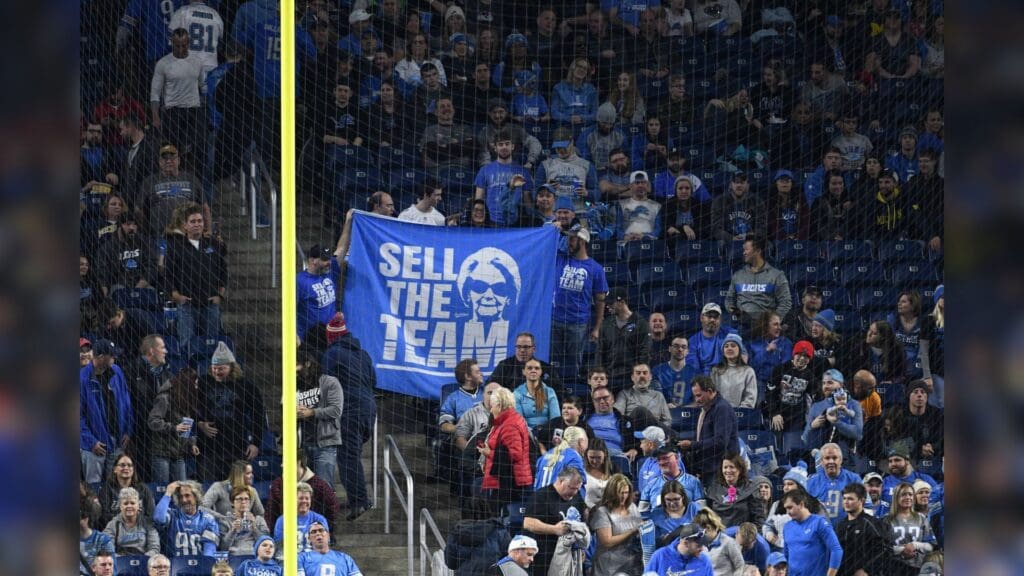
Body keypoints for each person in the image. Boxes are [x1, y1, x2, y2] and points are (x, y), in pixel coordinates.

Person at [196, 343, 264, 480]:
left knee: (237, 486)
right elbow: (191, 407)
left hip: (237, 445)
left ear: (232, 367)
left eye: (222, 368)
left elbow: (258, 414)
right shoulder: (203, 382)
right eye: (214, 368)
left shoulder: (246, 386)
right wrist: (199, 424)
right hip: (208, 447)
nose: (217, 372)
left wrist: (255, 442)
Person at [551, 226, 608, 383]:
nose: (567, 242)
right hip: (554, 320)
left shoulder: (596, 269)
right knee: (552, 363)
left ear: (582, 241)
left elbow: (600, 301)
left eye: (571, 239)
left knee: (573, 364)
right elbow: (549, 239)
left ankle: (571, 391)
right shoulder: (560, 259)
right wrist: (554, 227)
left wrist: (597, 328)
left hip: (577, 324)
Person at [163, 202, 225, 344]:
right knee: (187, 344)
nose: (197, 224)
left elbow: (223, 271)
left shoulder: (213, 244)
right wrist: (176, 296)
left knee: (212, 343)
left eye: (200, 221)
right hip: (186, 306)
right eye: (193, 221)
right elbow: (168, 275)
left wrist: (220, 295)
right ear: (185, 225)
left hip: (210, 304)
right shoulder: (175, 247)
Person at [150, 28, 207, 167]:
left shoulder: (197, 62)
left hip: (193, 111)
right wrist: (155, 116)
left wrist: (204, 109)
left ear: (188, 43)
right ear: (172, 43)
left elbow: (203, 87)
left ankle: (194, 181)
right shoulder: (163, 63)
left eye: (184, 45)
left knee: (196, 149)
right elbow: (155, 93)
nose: (181, 48)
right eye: (177, 45)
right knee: (173, 150)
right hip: (172, 113)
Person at [80, 338, 132, 485]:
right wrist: (91, 442)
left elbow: (126, 402)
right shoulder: (82, 378)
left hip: (117, 440)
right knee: (94, 486)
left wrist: (128, 430)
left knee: (116, 485)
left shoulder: (117, 372)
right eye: (112, 355)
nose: (115, 358)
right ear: (101, 357)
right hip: (94, 445)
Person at [523, 467, 587, 576]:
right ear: (561, 481)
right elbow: (528, 523)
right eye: (571, 488)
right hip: (545, 556)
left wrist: (580, 548)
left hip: (569, 556)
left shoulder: (576, 497)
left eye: (577, 489)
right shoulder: (542, 496)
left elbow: (583, 517)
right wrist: (554, 529)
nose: (574, 492)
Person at [767, 340, 822, 462]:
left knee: (790, 453)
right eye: (799, 355)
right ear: (793, 354)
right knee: (775, 451)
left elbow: (814, 399)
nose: (802, 359)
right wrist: (774, 413)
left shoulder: (810, 377)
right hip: (777, 414)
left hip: (796, 418)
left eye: (806, 356)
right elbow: (770, 393)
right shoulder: (780, 369)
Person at [481, 387, 533, 514]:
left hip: (509, 484)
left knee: (501, 520)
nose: (490, 409)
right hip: (508, 481)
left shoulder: (510, 425)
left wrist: (489, 453)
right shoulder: (507, 420)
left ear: (499, 405)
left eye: (492, 406)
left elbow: (515, 455)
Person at [676, 376, 739, 481]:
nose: (697, 400)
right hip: (708, 469)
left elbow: (720, 442)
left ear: (709, 391)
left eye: (699, 395)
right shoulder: (706, 409)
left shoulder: (722, 409)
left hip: (719, 471)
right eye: (695, 396)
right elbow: (704, 437)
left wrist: (692, 445)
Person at [296, 351, 344, 488]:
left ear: (307, 363)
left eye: (296, 366)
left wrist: (312, 412)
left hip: (325, 445)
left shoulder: (330, 382)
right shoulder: (294, 385)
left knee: (323, 488)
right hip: (303, 446)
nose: (294, 370)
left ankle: (326, 510)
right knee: (305, 491)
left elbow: (336, 410)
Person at [265, 450, 340, 531]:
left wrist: (322, 529)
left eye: (285, 461)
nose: (282, 465)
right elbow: (270, 512)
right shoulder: (277, 485)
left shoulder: (320, 485)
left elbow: (333, 507)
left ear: (298, 462)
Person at [147, 367, 200, 482]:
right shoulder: (164, 398)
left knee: (182, 489)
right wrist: (173, 427)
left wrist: (192, 443)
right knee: (162, 490)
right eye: (194, 384)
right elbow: (153, 421)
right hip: (162, 453)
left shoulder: (187, 400)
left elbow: (186, 426)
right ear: (187, 383)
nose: (196, 387)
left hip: (179, 453)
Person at [473, 127, 535, 227]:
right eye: (500, 144)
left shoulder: (523, 172)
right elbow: (478, 200)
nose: (504, 147)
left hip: (515, 221)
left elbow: (527, 203)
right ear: (495, 148)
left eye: (507, 144)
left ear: (513, 146)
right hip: (491, 222)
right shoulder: (484, 170)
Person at [727, 236, 793, 325]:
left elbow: (786, 303)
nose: (744, 253)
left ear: (758, 251)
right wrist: (736, 313)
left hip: (765, 326)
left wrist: (773, 322)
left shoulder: (777, 275)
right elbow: (729, 300)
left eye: (746, 249)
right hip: (742, 325)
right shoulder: (738, 275)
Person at [597, 288, 652, 392]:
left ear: (621, 302)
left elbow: (644, 353)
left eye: (611, 303)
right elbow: (600, 352)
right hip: (611, 378)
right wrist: (601, 375)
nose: (607, 306)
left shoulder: (641, 324)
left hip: (631, 379)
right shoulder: (606, 325)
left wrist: (638, 375)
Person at [837, 483, 896, 576]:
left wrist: (866, 570)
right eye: (844, 498)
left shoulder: (872, 523)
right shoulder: (840, 525)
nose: (846, 502)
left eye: (850, 499)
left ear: (862, 501)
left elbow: (886, 549)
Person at [804, 371, 864, 462]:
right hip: (819, 458)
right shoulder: (816, 406)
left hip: (845, 457)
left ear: (841, 384)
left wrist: (836, 422)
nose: (826, 386)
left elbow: (858, 433)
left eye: (830, 382)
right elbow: (805, 438)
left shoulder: (854, 405)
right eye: (824, 383)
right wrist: (812, 426)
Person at [590, 473, 643, 576]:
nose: (623, 496)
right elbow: (607, 542)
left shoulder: (632, 507)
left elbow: (639, 527)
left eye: (626, 492)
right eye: (620, 493)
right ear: (612, 493)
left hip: (631, 563)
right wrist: (632, 532)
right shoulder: (602, 512)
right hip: (609, 567)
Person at [536, 128, 600, 212]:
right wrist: (546, 190)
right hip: (553, 214)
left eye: (564, 146)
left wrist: (586, 193)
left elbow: (597, 194)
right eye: (557, 147)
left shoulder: (586, 165)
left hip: (579, 212)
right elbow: (535, 192)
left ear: (572, 142)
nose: (561, 150)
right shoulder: (545, 165)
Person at [781, 490, 843, 576]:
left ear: (801, 504)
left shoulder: (819, 523)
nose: (787, 512)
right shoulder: (787, 526)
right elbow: (786, 555)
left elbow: (836, 550)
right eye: (786, 508)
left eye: (790, 507)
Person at [882, 381, 944, 464]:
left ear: (927, 396)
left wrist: (932, 447)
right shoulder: (898, 414)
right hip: (906, 456)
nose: (919, 395)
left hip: (933, 455)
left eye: (923, 392)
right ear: (909, 396)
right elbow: (893, 441)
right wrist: (919, 449)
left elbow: (942, 438)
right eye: (915, 392)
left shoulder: (937, 414)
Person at [95, 212, 157, 294]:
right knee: (119, 291)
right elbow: (102, 273)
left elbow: (152, 266)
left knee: (151, 292)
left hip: (141, 285)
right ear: (119, 226)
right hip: (117, 286)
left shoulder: (144, 243)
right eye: (128, 224)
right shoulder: (107, 248)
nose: (132, 227)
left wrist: (138, 287)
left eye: (134, 225)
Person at [154, 480, 221, 556]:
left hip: (199, 565)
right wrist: (168, 493)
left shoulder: (208, 520)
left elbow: (209, 551)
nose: (184, 500)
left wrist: (204, 566)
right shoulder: (172, 515)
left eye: (187, 495)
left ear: (196, 497)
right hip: (173, 565)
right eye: (180, 497)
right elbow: (158, 518)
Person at [704, 453, 767, 528]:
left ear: (739, 469)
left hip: (743, 535)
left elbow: (759, 518)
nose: (728, 470)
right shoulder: (713, 489)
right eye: (725, 467)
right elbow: (708, 517)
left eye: (732, 467)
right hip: (720, 535)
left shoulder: (751, 488)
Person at [886, 482, 936, 572]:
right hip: (892, 567)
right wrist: (901, 550)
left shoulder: (921, 518)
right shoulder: (886, 519)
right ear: (896, 497)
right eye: (903, 494)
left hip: (917, 567)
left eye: (910, 494)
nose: (908, 497)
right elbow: (880, 547)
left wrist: (915, 545)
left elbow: (931, 545)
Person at [841, 320, 908, 387]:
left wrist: (892, 381)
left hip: (888, 388)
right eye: (869, 330)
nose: (869, 334)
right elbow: (852, 373)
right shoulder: (860, 349)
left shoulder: (896, 351)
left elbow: (901, 375)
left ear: (883, 337)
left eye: (874, 333)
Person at [489, 332, 562, 393]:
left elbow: (559, 392)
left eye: (526, 347)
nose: (522, 350)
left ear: (534, 349)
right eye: (519, 347)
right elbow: (489, 386)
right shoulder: (504, 366)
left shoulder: (546, 368)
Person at [98, 453, 156, 527]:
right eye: (122, 465)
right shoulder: (106, 489)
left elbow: (150, 515)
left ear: (133, 469)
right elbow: (103, 516)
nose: (126, 468)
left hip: (139, 530)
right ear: (115, 469)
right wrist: (126, 520)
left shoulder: (143, 489)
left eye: (129, 465)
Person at [641, 446, 704, 512]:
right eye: (659, 460)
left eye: (665, 458)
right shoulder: (651, 485)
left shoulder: (693, 482)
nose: (661, 462)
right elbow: (642, 513)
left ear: (676, 458)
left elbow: (702, 512)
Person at [586, 386, 642, 459]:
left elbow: (638, 444)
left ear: (613, 399)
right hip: (591, 456)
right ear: (593, 402)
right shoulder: (584, 420)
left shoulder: (626, 422)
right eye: (598, 399)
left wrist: (634, 450)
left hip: (617, 456)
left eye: (605, 398)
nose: (602, 402)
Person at [274, 482, 330, 554]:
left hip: (314, 560)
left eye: (307, 498)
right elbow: (279, 547)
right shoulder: (282, 520)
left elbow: (325, 545)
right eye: (301, 498)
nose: (304, 501)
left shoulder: (320, 519)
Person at [297, 244, 338, 341]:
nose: (329, 262)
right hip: (310, 340)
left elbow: (341, 248)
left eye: (329, 259)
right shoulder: (300, 281)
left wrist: (347, 228)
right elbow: (290, 309)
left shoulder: (330, 272)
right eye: (324, 259)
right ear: (312, 260)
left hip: (332, 337)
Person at [103, 486, 160, 556]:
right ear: (120, 506)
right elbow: (107, 549)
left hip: (143, 560)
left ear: (138, 505)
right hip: (121, 562)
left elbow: (154, 548)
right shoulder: (113, 524)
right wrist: (122, 559)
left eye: (132, 503)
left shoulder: (147, 523)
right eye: (125, 503)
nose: (129, 506)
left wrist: (143, 559)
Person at [711, 173, 767, 244]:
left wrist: (749, 237)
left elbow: (762, 228)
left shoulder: (757, 201)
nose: (739, 185)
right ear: (731, 184)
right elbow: (716, 229)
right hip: (728, 242)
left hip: (752, 241)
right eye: (736, 182)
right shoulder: (719, 201)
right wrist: (731, 238)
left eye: (742, 182)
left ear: (748, 185)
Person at [643, 522, 715, 576]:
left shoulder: (704, 560)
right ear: (686, 543)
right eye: (698, 545)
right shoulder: (660, 556)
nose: (702, 549)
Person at [297, 521, 364, 576]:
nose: (318, 534)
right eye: (313, 532)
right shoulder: (301, 558)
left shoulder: (345, 558)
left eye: (321, 530)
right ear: (309, 538)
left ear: (328, 536)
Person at [687, 303, 737, 376]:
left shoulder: (730, 334)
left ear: (720, 319)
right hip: (704, 380)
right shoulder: (693, 341)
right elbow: (693, 369)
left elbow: (743, 356)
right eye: (709, 316)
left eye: (716, 317)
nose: (712, 320)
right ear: (701, 318)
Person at [692, 508, 745, 575]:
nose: (701, 535)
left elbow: (740, 566)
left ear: (711, 527)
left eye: (704, 531)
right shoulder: (699, 545)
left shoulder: (728, 542)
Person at [710, 333, 758, 408]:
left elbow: (750, 398)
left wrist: (739, 412)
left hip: (740, 415)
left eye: (733, 345)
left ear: (740, 349)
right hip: (719, 413)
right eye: (726, 346)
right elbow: (711, 395)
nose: (729, 348)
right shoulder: (716, 370)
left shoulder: (748, 371)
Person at [809, 170, 859, 241]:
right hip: (826, 243)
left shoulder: (851, 200)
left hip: (849, 241)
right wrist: (833, 238)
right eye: (834, 184)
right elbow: (817, 227)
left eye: (840, 183)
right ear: (827, 184)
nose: (838, 186)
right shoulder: (819, 202)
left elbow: (855, 225)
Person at [220, 486, 271, 555]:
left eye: (246, 499)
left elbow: (267, 543)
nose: (243, 502)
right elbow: (222, 548)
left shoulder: (259, 520)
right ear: (232, 502)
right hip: (234, 557)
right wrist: (233, 531)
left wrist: (254, 528)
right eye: (239, 499)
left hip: (255, 556)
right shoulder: (225, 521)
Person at [534, 426, 588, 491]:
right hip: (557, 499)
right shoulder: (574, 458)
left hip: (538, 498)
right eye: (586, 439)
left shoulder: (545, 455)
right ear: (581, 442)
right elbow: (580, 481)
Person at [749, 312, 794, 388]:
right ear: (766, 326)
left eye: (780, 324)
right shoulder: (754, 344)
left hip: (779, 383)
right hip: (758, 383)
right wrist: (766, 350)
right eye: (775, 324)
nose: (779, 328)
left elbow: (787, 366)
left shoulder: (786, 343)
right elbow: (752, 368)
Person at [651, 481, 703, 546]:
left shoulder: (694, 508)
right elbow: (653, 542)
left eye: (676, 499)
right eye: (668, 500)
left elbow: (704, 531)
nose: (672, 503)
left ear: (683, 497)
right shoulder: (656, 514)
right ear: (663, 499)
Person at [551, 58, 599, 127]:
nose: (582, 70)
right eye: (579, 66)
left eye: (585, 69)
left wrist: (581, 118)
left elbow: (595, 114)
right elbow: (554, 113)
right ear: (572, 68)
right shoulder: (558, 88)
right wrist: (569, 118)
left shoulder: (591, 90)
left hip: (585, 126)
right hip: (565, 126)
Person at [653, 336, 698, 407]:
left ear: (687, 351)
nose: (680, 349)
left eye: (684, 347)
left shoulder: (695, 373)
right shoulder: (657, 371)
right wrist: (665, 406)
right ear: (670, 348)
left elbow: (699, 400)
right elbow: (655, 398)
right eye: (676, 346)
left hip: (689, 414)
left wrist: (688, 408)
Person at [890, 291, 925, 380]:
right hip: (896, 365)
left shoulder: (923, 323)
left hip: (916, 367)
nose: (899, 304)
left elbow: (923, 349)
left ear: (913, 305)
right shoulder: (892, 320)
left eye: (903, 302)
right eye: (899, 301)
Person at [766, 170, 810, 241]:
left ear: (792, 184)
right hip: (778, 240)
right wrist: (785, 239)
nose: (784, 183)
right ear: (776, 183)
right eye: (781, 181)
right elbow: (773, 226)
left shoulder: (801, 201)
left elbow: (805, 223)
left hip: (799, 240)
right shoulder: (770, 203)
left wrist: (797, 238)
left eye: (787, 181)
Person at [920, 286, 944, 408]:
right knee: (938, 405)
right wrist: (927, 376)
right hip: (936, 371)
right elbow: (923, 351)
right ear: (937, 299)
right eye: (943, 297)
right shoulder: (928, 320)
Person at [584, 438, 614, 508]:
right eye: (591, 457)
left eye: (598, 457)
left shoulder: (613, 470)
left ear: (605, 454)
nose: (594, 461)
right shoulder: (581, 472)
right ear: (586, 455)